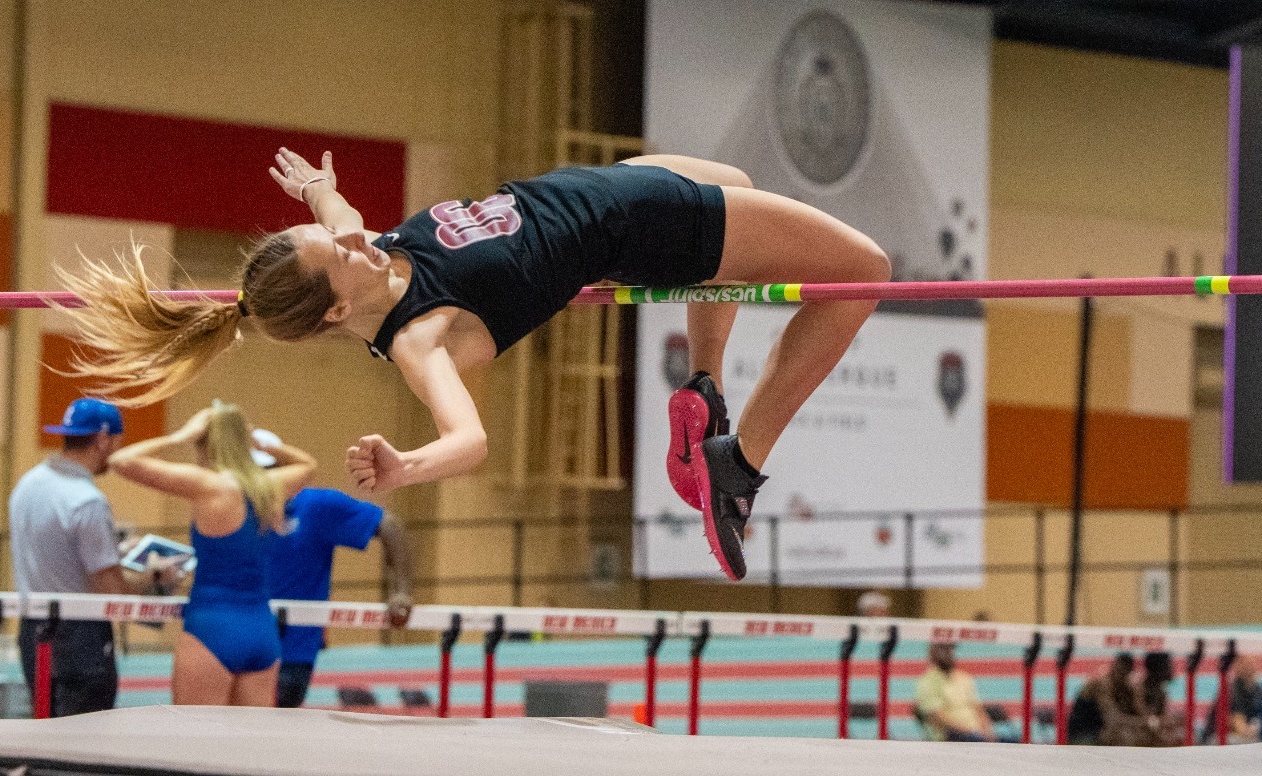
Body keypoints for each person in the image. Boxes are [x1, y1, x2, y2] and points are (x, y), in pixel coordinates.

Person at [55, 148, 890, 582]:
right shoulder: (423, 335)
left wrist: (316, 193)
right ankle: (738, 462)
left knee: (735, 178)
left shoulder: (370, 256)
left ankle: (702, 392)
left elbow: (340, 213)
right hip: (640, 224)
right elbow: (469, 441)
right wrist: (403, 464)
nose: (355, 235)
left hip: (602, 188)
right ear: (341, 311)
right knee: (862, 271)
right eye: (338, 251)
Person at [107, 402, 316, 706]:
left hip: (212, 627)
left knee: (194, 745)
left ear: (205, 442)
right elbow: (308, 464)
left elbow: (121, 460)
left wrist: (180, 436)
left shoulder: (208, 486)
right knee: (249, 747)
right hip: (261, 629)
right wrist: (259, 442)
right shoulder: (271, 486)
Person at [10, 398, 181, 717]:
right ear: (103, 440)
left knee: (44, 730)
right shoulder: (87, 501)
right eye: (117, 443)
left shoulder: (28, 484)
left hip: (32, 630)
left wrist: (114, 550)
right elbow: (111, 590)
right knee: (85, 739)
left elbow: (56, 553)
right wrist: (153, 576)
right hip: (79, 639)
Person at [263, 457, 416, 707]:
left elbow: (390, 526)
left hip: (291, 651)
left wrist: (403, 592)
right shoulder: (236, 506)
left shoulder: (316, 506)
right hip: (234, 639)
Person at [915, 642, 1012, 743]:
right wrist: (969, 731)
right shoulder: (926, 683)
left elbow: (978, 710)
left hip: (977, 733)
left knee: (1011, 742)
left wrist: (990, 735)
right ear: (932, 653)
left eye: (949, 650)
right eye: (943, 650)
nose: (947, 654)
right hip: (951, 736)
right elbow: (937, 718)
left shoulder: (964, 678)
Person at [1068, 652, 1137, 746]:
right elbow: (1113, 719)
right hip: (1084, 735)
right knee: (1125, 738)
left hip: (1097, 730)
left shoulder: (1123, 687)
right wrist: (1145, 723)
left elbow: (1132, 711)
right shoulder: (1102, 685)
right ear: (1114, 668)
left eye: (1124, 673)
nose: (1122, 675)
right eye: (1119, 671)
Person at [1203, 653, 1261, 744]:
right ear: (1237, 666)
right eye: (1247, 663)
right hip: (1217, 737)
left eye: (1253, 663)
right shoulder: (1233, 689)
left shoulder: (1257, 690)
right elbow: (1239, 725)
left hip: (1245, 734)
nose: (1251, 666)